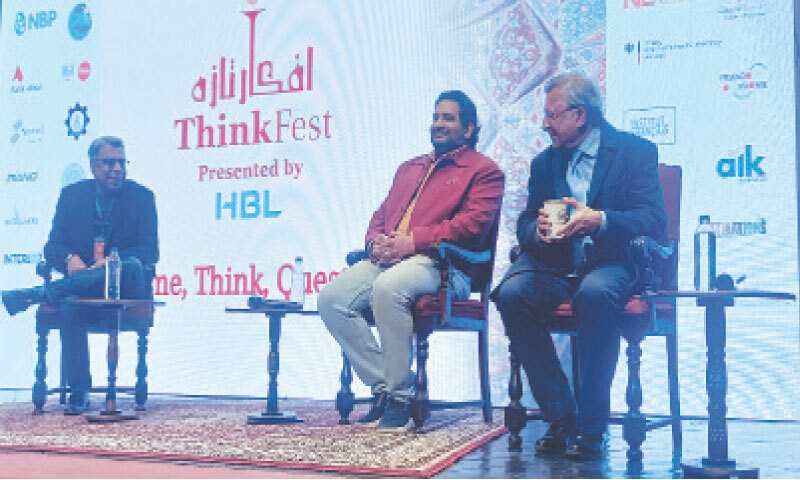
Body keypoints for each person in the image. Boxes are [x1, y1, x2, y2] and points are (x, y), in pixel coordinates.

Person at [491, 72, 666, 460]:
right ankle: (560, 414)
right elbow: (524, 222)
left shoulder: (635, 151)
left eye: (552, 116)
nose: (545, 124)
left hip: (613, 260)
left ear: (580, 116)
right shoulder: (544, 164)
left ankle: (592, 427)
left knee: (595, 293)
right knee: (511, 293)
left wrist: (600, 220)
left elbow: (653, 219)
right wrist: (535, 231)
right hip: (556, 264)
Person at [318, 90, 505, 431]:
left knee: (389, 287)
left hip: (444, 266)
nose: (438, 124)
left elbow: (472, 226)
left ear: (469, 128)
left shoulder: (485, 171)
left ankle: (400, 400)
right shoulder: (410, 167)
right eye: (436, 116)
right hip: (389, 259)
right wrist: (376, 242)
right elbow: (382, 213)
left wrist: (413, 241)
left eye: (448, 118)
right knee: (331, 299)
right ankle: (386, 389)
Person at [2, 136, 159, 415]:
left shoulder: (142, 198)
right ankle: (78, 389)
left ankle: (36, 294)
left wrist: (114, 261)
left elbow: (150, 252)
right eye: (109, 162)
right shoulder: (72, 196)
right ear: (93, 166)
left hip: (124, 286)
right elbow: (52, 246)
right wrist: (68, 258)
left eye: (122, 162)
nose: (117, 169)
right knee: (70, 304)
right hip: (83, 287)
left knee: (132, 265)